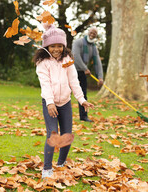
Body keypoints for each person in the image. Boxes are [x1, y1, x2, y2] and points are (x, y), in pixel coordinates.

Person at [34, 23, 94, 179]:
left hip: (65, 103)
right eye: (52, 46)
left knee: (67, 134)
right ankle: (47, 169)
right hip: (50, 103)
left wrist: (82, 99)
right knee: (53, 134)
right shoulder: (42, 63)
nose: (56, 49)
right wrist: (49, 102)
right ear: (46, 46)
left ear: (64, 46)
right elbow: (45, 84)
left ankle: (61, 164)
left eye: (59, 46)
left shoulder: (67, 59)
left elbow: (74, 81)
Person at [72, 27, 103, 122]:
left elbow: (97, 62)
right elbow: (75, 56)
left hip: (82, 73)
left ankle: (84, 116)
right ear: (88, 32)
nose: (92, 34)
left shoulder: (93, 47)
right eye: (91, 32)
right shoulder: (78, 42)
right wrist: (85, 68)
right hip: (71, 70)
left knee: (83, 94)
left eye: (95, 33)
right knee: (64, 93)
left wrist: (100, 77)